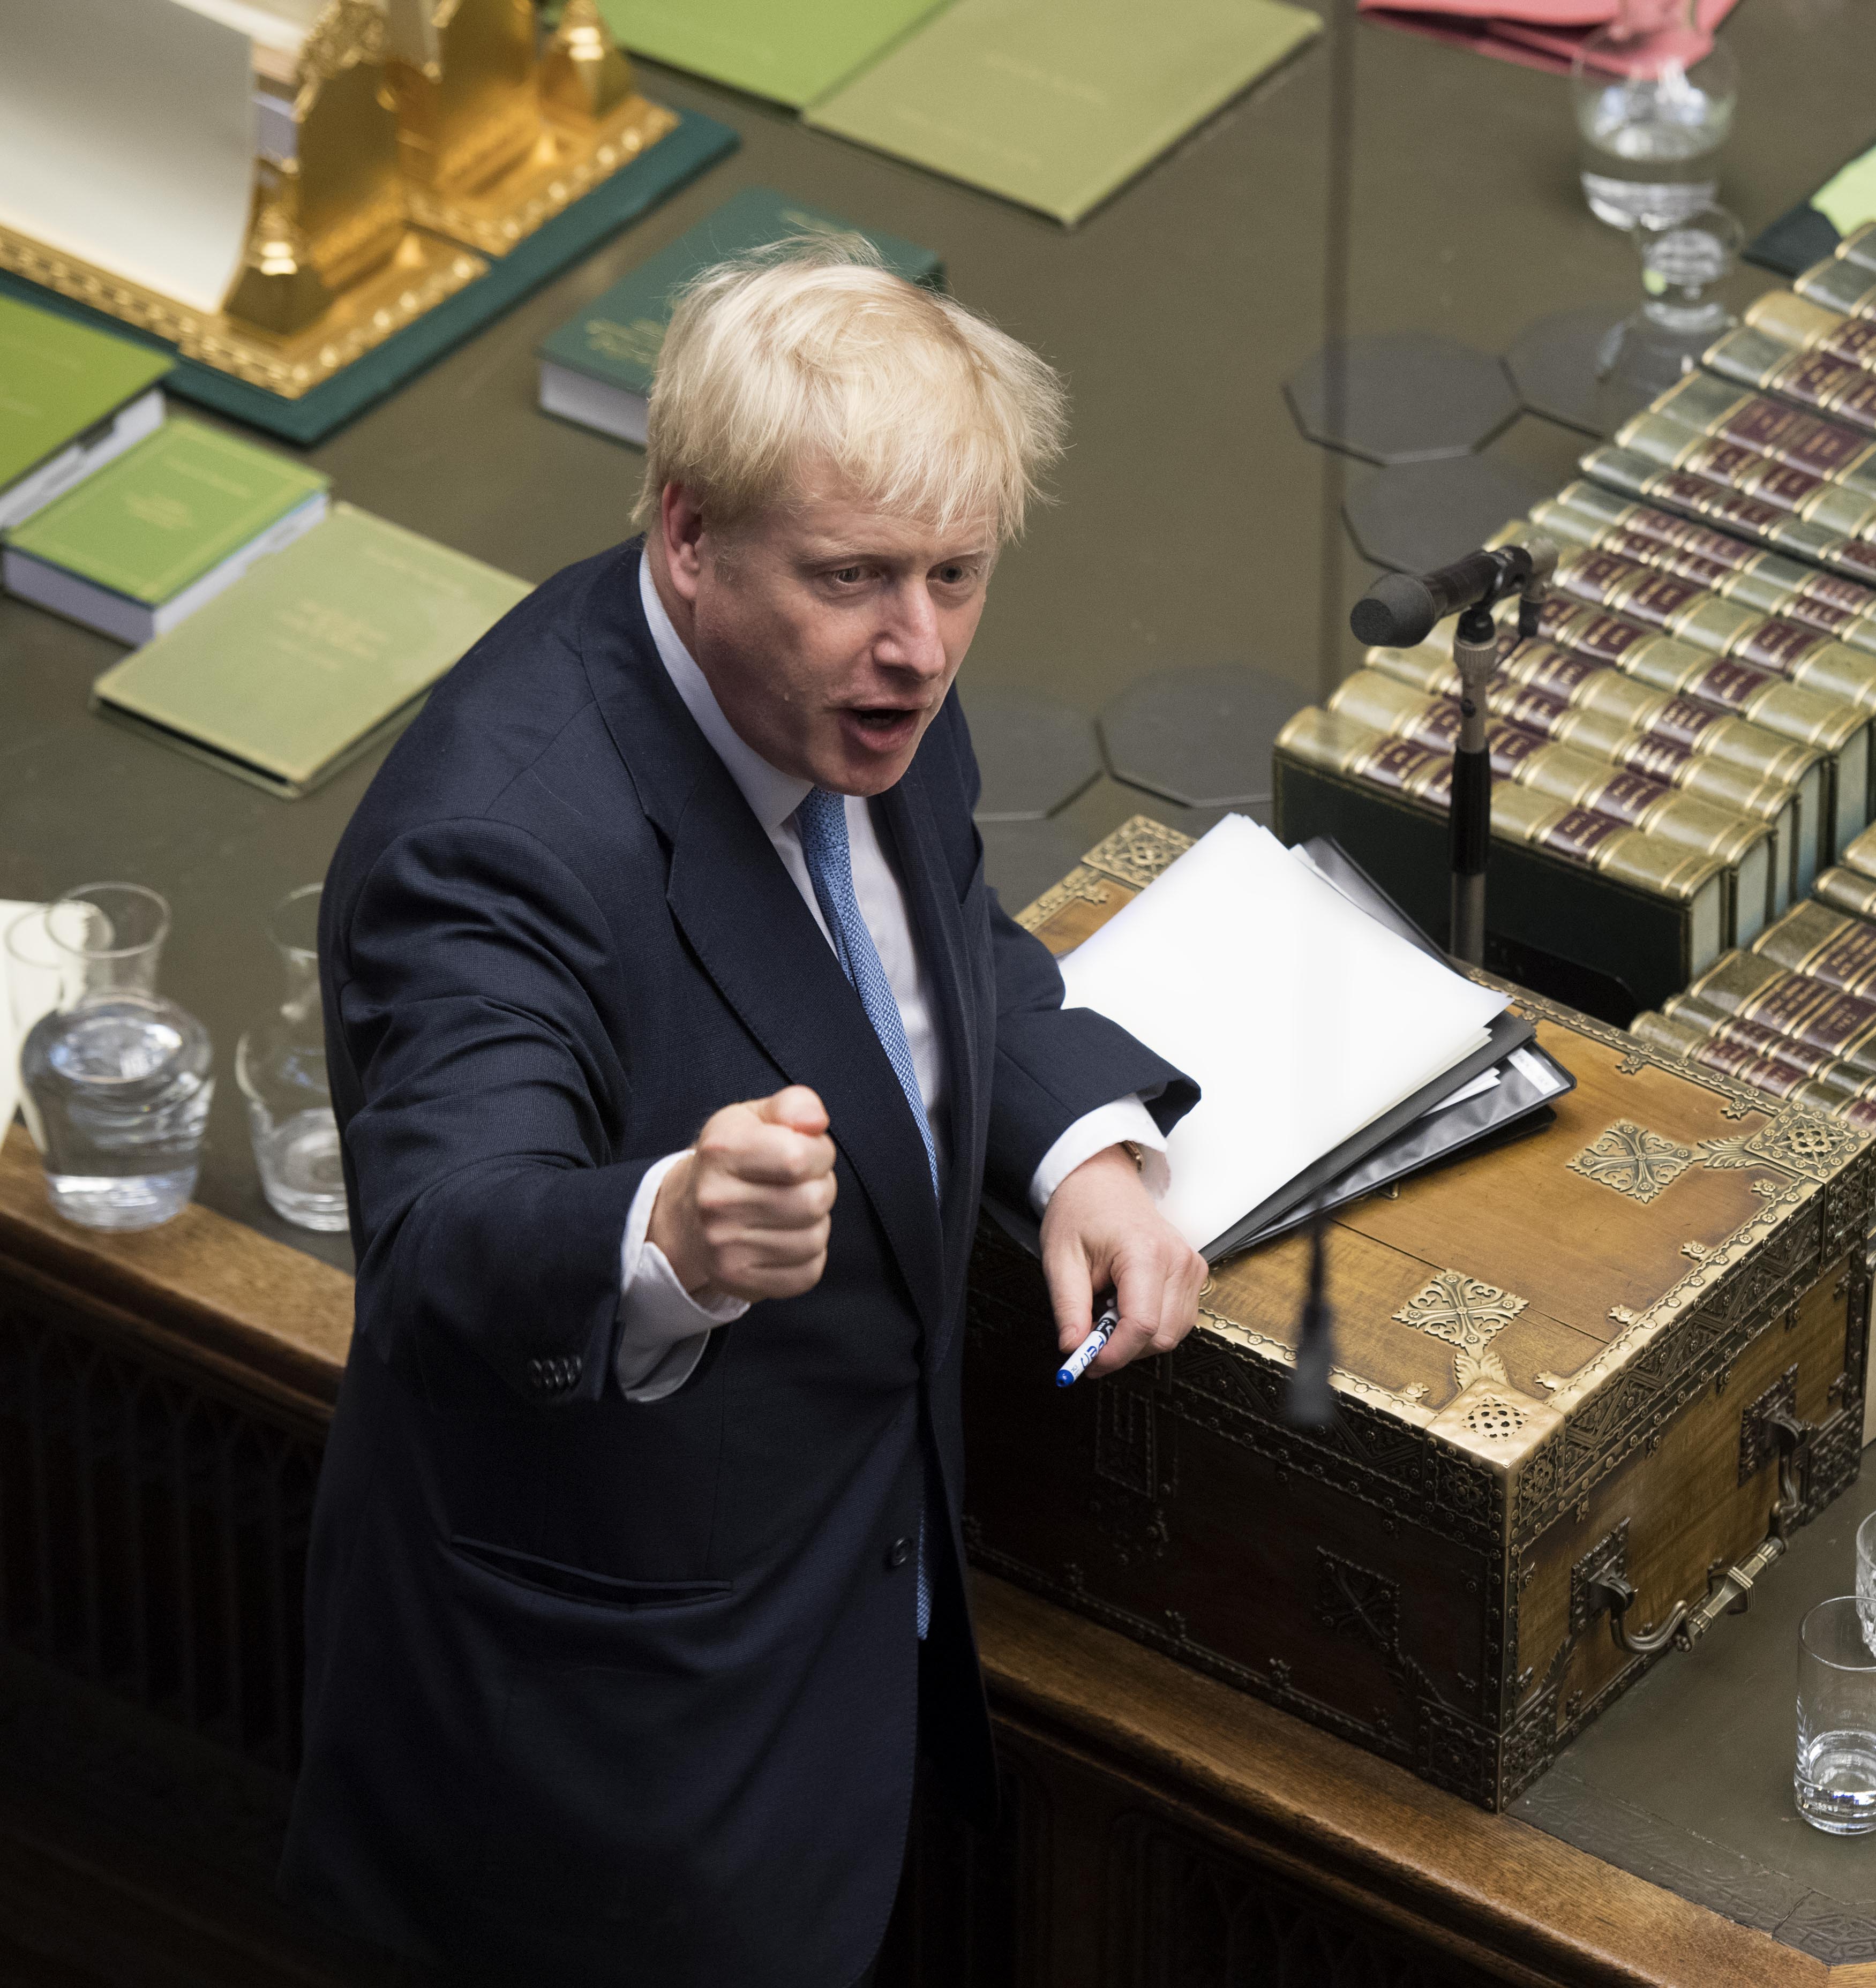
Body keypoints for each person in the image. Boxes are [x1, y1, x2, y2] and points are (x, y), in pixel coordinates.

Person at [279, 237, 1206, 1985]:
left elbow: (936, 947)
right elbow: (444, 1243)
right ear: (690, 534)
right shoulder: (493, 842)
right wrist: (667, 1234)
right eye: (855, 578)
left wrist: (1079, 1148)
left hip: (849, 1652)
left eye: (958, 574)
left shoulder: (854, 686)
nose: (920, 648)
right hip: (614, 1785)